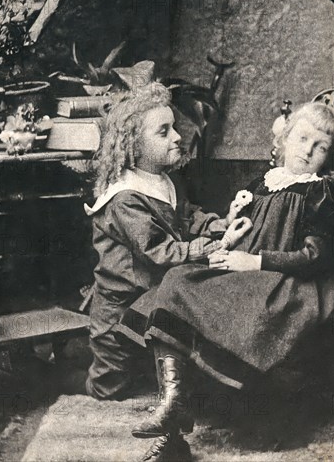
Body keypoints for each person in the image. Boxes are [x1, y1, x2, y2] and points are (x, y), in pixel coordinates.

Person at [128, 101, 334, 461]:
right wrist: (227, 239)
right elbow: (244, 230)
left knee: (244, 311)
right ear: (285, 137)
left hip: (289, 284)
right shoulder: (265, 182)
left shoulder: (322, 192)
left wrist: (255, 261)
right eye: (302, 138)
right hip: (244, 270)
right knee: (177, 281)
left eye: (321, 146)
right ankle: (173, 402)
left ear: (330, 156)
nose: (308, 150)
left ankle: (174, 429)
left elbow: (316, 257)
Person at [83, 82, 251, 402]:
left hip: (147, 302)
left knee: (152, 373)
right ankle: (44, 378)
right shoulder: (125, 197)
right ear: (134, 145)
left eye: (174, 127)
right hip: (119, 311)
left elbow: (187, 219)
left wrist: (222, 224)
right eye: (164, 131)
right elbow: (160, 251)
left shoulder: (163, 181)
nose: (177, 136)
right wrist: (215, 246)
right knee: (109, 387)